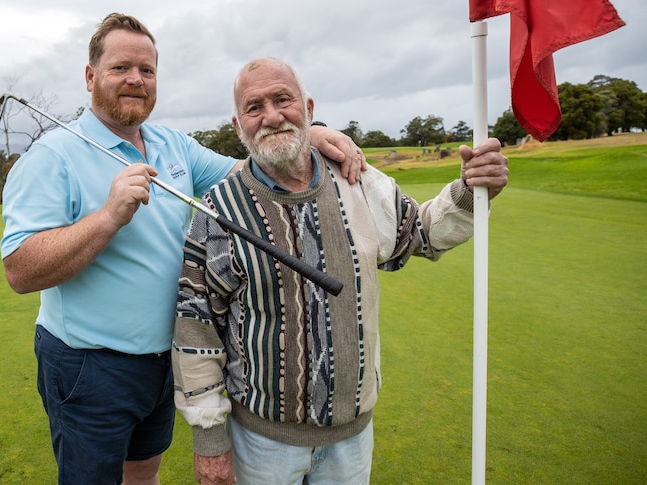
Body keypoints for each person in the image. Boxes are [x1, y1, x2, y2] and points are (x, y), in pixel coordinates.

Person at [0, 14, 366, 485]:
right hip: (89, 364)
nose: (136, 79)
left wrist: (302, 133)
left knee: (144, 472)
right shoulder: (51, 156)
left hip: (163, 361)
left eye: (147, 70)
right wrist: (109, 216)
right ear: (91, 76)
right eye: (120, 68)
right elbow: (20, 270)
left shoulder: (172, 144)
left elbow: (248, 171)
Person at [171, 57, 509, 485]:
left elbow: (420, 233)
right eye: (253, 107)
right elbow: (196, 329)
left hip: (351, 441)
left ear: (309, 108)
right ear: (238, 127)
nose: (271, 116)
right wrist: (210, 443)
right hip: (260, 444)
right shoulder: (217, 212)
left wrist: (471, 189)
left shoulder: (359, 182)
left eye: (282, 99)